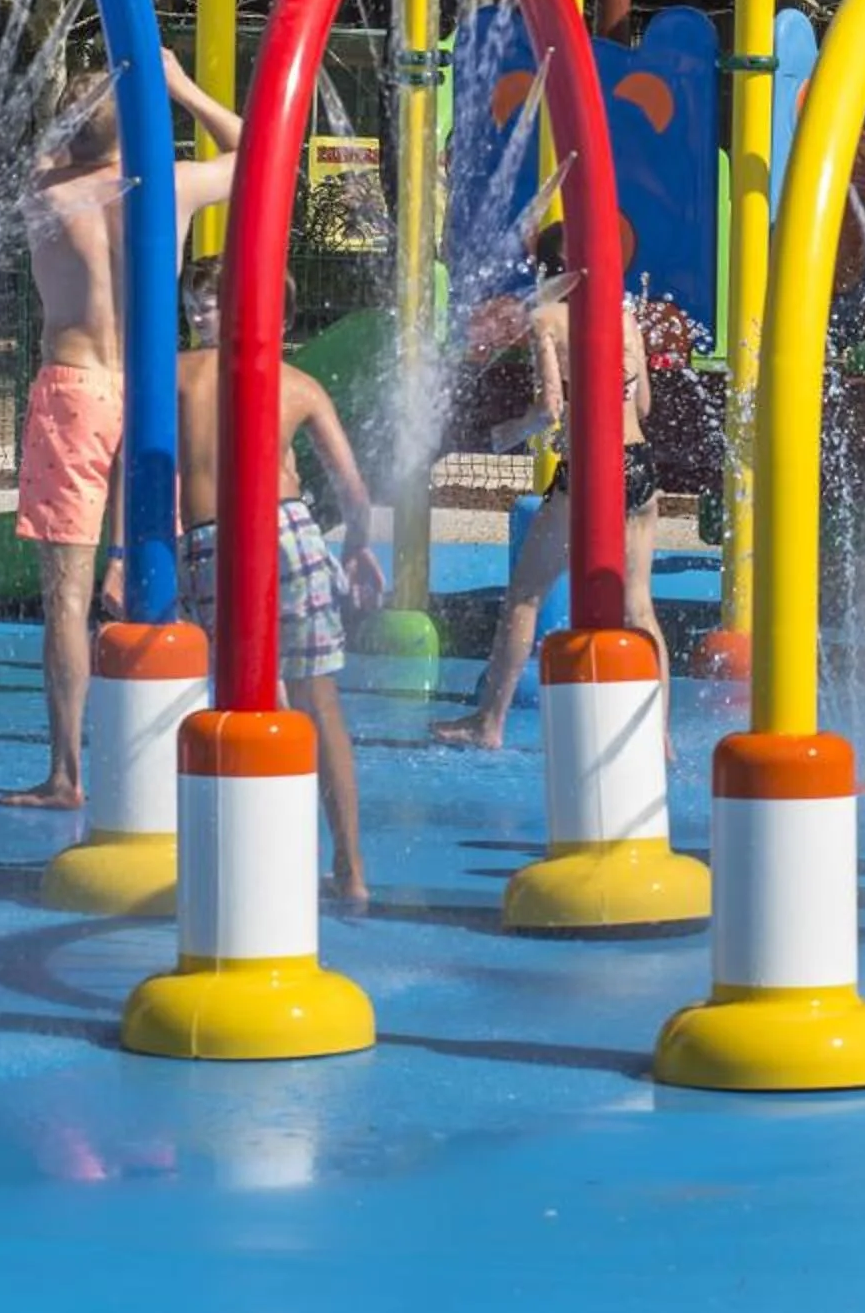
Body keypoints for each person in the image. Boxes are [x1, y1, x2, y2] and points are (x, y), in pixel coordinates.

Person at [5, 46, 241, 809]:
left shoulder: (45, 192)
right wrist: (178, 86)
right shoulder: (167, 186)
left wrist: (77, 115)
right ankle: (158, 757)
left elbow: (45, 149)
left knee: (66, 599)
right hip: (148, 393)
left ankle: (66, 774)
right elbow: (256, 150)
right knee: (160, 578)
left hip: (74, 389)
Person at [175, 260, 384, 907]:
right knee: (318, 702)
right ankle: (350, 867)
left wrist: (127, 554)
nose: (198, 312)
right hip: (291, 533)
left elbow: (136, 464)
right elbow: (354, 493)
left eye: (210, 301)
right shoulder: (299, 385)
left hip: (213, 543)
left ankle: (260, 862)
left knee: (243, 698)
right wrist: (356, 548)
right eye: (193, 300)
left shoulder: (178, 375)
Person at [434, 222, 667, 754]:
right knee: (639, 608)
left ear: (546, 271)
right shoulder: (626, 318)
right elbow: (645, 405)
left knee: (525, 595)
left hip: (590, 471)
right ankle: (660, 736)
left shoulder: (547, 318)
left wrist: (507, 434)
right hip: (639, 465)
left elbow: (550, 408)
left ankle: (488, 722)